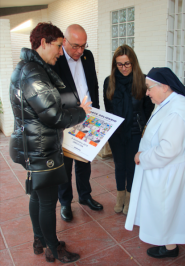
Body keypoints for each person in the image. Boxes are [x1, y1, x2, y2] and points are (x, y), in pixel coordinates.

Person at [9, 22, 92, 264]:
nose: (60, 50)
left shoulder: (28, 67)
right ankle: (52, 248)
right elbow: (53, 115)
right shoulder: (33, 71)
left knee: (37, 195)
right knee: (47, 201)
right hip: (41, 147)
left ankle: (39, 239)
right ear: (43, 43)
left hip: (33, 144)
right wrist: (81, 112)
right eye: (58, 45)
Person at [125, 67, 185, 258]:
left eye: (149, 88)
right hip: (164, 168)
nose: (147, 93)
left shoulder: (177, 111)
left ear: (165, 87)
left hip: (168, 170)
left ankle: (169, 247)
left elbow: (169, 150)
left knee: (166, 208)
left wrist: (142, 157)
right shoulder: (169, 101)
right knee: (167, 209)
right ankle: (169, 245)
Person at [51, 24, 103, 222]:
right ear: (64, 41)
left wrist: (96, 112)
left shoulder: (87, 56)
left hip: (88, 118)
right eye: (75, 46)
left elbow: (94, 84)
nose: (80, 51)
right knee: (65, 166)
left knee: (85, 161)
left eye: (83, 46)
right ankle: (65, 203)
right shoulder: (56, 59)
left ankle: (85, 195)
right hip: (67, 119)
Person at [103, 45, 154, 215]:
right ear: (114, 64)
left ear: (133, 63)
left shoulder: (142, 80)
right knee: (119, 165)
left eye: (127, 64)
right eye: (119, 64)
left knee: (132, 165)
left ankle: (130, 198)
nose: (123, 68)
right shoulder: (109, 82)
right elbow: (109, 108)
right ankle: (120, 196)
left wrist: (138, 124)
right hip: (116, 132)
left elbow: (147, 108)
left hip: (134, 132)